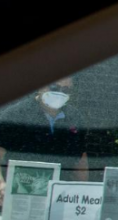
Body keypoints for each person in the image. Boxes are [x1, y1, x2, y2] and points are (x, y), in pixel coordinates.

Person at [0, 77, 89, 207]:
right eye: (54, 87)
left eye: (65, 90)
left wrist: (83, 193)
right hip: (19, 196)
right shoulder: (14, 116)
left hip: (58, 201)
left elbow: (81, 161)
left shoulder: (75, 118)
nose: (60, 93)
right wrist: (1, 185)